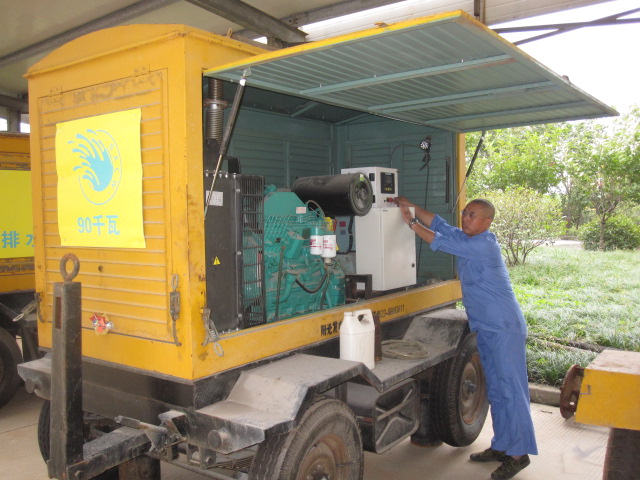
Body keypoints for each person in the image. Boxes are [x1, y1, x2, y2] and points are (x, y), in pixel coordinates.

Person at [394, 196, 537, 480]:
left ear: (487, 221)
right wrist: (411, 206)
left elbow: (437, 240)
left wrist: (410, 222)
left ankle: (519, 455)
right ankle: (503, 446)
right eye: (465, 213)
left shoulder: (484, 245)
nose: (465, 218)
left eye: (472, 215)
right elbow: (439, 224)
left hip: (504, 327)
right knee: (497, 390)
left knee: (511, 391)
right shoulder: (468, 238)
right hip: (486, 327)